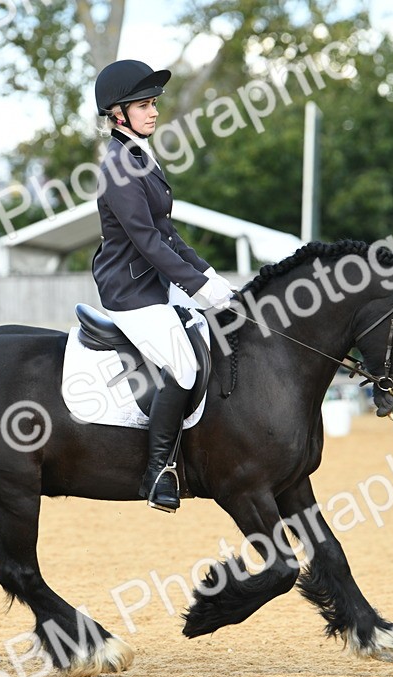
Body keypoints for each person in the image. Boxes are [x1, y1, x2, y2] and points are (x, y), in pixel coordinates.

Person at [91, 59, 236, 513]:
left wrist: (210, 277)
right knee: (185, 368)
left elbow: (169, 234)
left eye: (154, 104)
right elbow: (147, 241)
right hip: (130, 292)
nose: (153, 112)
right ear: (118, 113)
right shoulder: (118, 166)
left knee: (219, 337)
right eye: (144, 105)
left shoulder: (139, 157)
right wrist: (195, 287)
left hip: (154, 284)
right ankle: (157, 472)